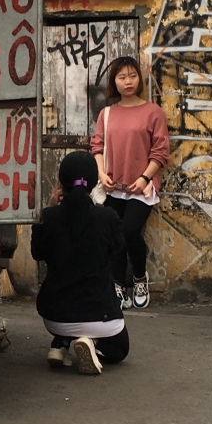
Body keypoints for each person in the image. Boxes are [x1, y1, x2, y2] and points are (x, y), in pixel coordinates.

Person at [31, 151, 129, 374]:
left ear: (60, 182)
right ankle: (91, 343)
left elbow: (38, 253)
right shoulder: (108, 218)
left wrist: (49, 207)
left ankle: (61, 342)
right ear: (94, 183)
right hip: (101, 317)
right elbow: (118, 248)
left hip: (55, 317)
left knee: (68, 307)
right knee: (120, 350)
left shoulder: (47, 218)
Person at [91, 56, 171, 309]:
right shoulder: (107, 114)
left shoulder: (153, 112)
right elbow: (98, 146)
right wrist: (101, 173)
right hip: (113, 186)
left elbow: (161, 151)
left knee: (129, 231)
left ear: (139, 78)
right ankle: (117, 286)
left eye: (133, 76)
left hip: (142, 187)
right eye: (122, 77)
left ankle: (139, 277)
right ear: (114, 81)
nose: (128, 81)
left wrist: (145, 176)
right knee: (114, 235)